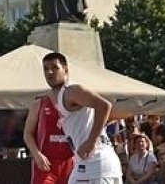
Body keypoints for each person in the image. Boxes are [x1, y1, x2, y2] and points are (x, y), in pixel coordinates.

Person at [42, 52, 122, 184]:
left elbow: (104, 106)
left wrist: (91, 141)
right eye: (46, 68)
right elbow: (107, 112)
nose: (50, 72)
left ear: (66, 70)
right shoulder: (62, 95)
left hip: (96, 165)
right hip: (93, 164)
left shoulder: (71, 90)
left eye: (55, 67)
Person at [24, 93, 74, 184]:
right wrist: (37, 154)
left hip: (70, 162)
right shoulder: (39, 103)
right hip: (45, 163)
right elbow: (28, 133)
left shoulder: (77, 102)